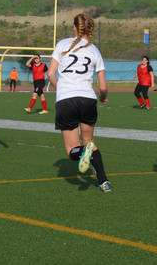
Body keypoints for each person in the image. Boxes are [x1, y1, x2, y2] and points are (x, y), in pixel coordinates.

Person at [47, 14, 111, 192]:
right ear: (90, 29)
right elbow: (103, 86)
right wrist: (103, 97)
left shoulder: (62, 44)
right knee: (90, 141)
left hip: (66, 99)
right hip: (88, 99)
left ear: (74, 28)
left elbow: (50, 73)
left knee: (72, 150)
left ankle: (83, 152)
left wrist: (61, 89)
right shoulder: (95, 50)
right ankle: (103, 181)